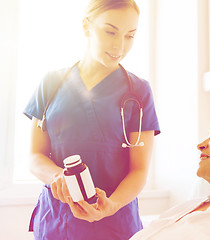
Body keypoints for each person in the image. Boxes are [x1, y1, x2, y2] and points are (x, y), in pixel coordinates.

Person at [24, 0, 160, 239]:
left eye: (130, 36)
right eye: (110, 31)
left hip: (115, 224)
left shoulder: (138, 92)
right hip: (57, 222)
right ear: (87, 26)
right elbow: (35, 156)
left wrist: (113, 205)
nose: (120, 46)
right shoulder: (51, 84)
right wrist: (57, 177)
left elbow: (139, 170)